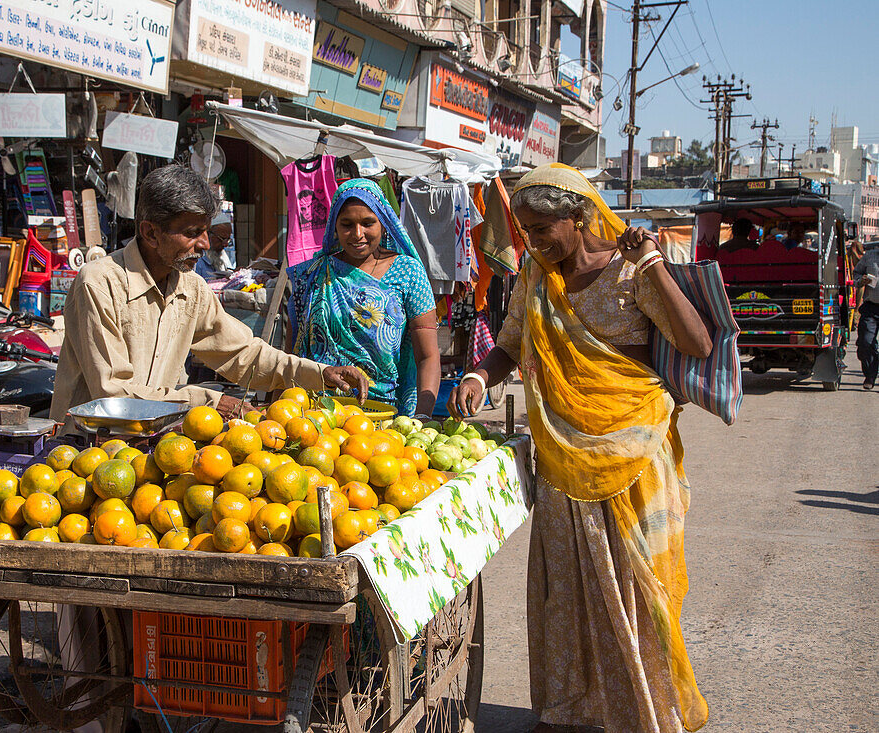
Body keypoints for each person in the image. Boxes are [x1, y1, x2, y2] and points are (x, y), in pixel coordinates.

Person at [448, 163, 713, 733]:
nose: (535, 242)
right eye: (526, 231)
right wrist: (476, 376)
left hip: (635, 456)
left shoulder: (631, 272)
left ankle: (644, 711)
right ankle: (569, 710)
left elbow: (696, 341)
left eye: (544, 229)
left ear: (580, 217)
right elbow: (512, 344)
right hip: (563, 461)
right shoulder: (536, 276)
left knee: (640, 591)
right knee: (565, 590)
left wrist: (655, 267)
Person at [52, 165, 368, 423]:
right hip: (83, 454)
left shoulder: (191, 288)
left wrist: (318, 373)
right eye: (191, 233)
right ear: (150, 232)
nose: (204, 243)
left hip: (152, 451)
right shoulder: (98, 283)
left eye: (206, 230)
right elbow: (114, 395)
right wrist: (206, 400)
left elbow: (244, 354)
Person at [287, 178, 440, 417]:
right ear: (334, 227)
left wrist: (423, 417)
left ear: (384, 223)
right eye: (347, 224)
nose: (358, 234)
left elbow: (427, 355)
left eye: (368, 223)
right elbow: (291, 353)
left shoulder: (409, 273)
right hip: (317, 412)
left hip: (384, 414)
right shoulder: (313, 274)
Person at [852, 241, 879, 389]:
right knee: (865, 343)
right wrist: (860, 281)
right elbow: (856, 273)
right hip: (871, 308)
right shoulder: (869, 256)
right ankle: (870, 375)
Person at [194, 211, 235, 281]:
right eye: (222, 239)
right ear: (207, 234)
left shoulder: (222, 255)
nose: (225, 244)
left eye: (227, 239)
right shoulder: (196, 261)